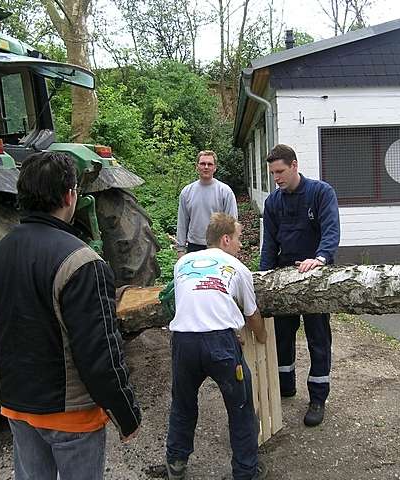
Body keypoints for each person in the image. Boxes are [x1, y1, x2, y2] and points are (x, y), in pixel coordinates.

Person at [0, 152, 141, 480]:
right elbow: (100, 354)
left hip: (18, 407)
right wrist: (126, 413)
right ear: (70, 196)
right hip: (69, 417)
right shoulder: (83, 262)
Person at [166, 212, 268, 480]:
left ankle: (176, 462)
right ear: (225, 239)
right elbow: (252, 314)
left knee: (183, 403)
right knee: (241, 407)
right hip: (220, 344)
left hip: (184, 342)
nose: (240, 245)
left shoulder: (183, 263)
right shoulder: (239, 268)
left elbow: (193, 300)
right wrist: (262, 337)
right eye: (238, 239)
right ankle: (246, 471)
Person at [259, 144, 340, 428]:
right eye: (272, 173)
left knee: (318, 339)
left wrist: (320, 258)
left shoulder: (321, 193)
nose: (276, 178)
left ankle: (318, 398)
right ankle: (285, 385)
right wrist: (263, 279)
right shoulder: (273, 203)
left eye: (280, 171)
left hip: (315, 279)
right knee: (282, 337)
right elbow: (269, 244)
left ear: (294, 165)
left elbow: (331, 230)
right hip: (283, 279)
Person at [176, 150, 238, 257]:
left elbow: (232, 223)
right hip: (194, 247)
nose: (206, 167)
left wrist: (231, 248)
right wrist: (180, 249)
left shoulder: (225, 191)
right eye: (202, 164)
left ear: (215, 168)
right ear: (197, 166)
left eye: (209, 164)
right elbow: (182, 222)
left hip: (219, 247)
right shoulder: (186, 192)